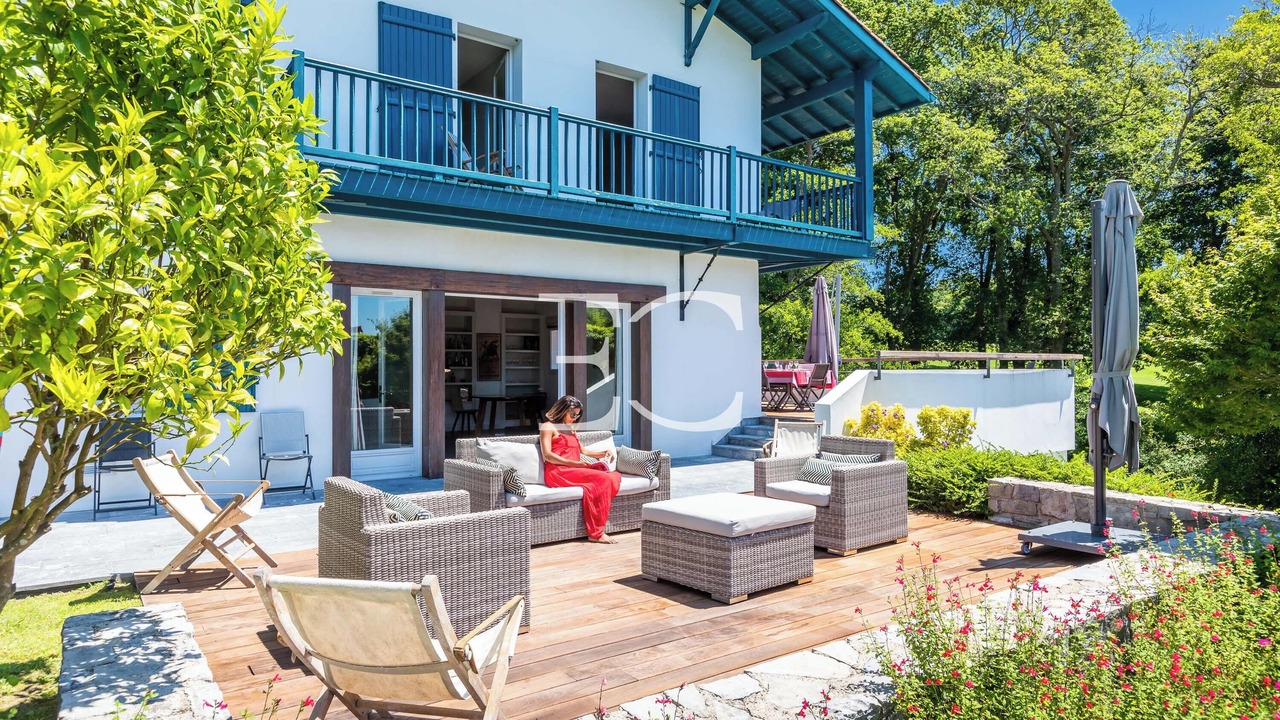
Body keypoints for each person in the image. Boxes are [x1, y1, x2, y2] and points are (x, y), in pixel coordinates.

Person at [539, 395, 621, 544]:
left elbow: (583, 451)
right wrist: (574, 463)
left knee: (613, 476)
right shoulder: (547, 426)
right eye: (572, 414)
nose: (575, 418)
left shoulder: (571, 429)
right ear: (562, 410)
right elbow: (547, 455)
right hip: (558, 472)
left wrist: (603, 453)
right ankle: (596, 533)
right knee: (602, 479)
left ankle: (598, 515)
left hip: (574, 469)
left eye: (577, 415)